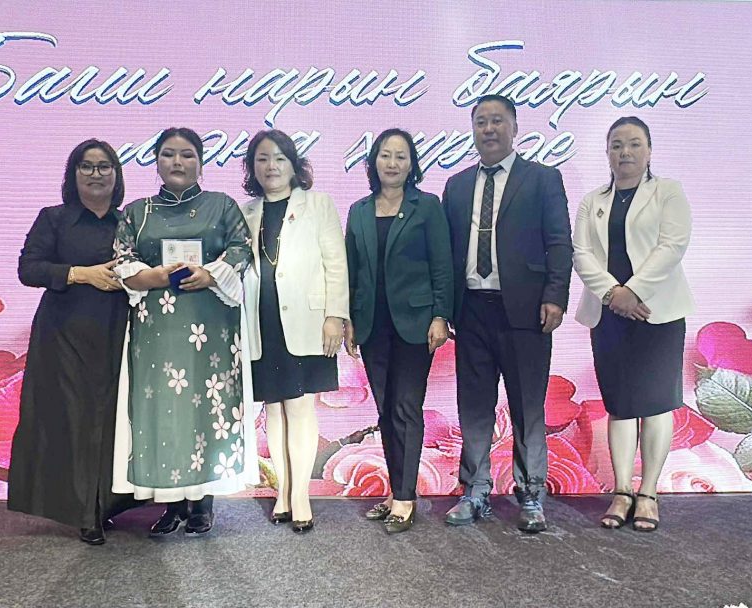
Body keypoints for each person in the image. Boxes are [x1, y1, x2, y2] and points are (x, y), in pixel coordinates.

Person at [111, 127, 257, 537]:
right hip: (157, 331)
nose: (178, 162)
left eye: (187, 154)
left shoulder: (222, 206)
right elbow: (122, 259)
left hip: (210, 327)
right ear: (156, 161)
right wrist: (155, 276)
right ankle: (171, 504)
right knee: (163, 411)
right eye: (169, 154)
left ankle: (202, 504)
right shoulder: (136, 212)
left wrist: (210, 274)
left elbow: (241, 249)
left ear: (201, 162)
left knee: (206, 408)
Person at [441, 94, 573, 533]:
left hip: (527, 312)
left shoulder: (543, 179)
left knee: (527, 406)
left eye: (497, 121)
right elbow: (446, 253)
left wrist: (555, 296)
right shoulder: (456, 186)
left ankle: (531, 494)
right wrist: (444, 309)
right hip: (471, 311)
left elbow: (559, 242)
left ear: (515, 128)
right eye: (481, 122)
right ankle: (474, 491)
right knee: (474, 406)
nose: (489, 129)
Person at [8, 139, 141, 545]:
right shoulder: (54, 219)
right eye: (87, 166)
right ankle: (84, 514)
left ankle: (105, 506)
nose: (96, 174)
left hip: (119, 334)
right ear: (73, 174)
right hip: (63, 336)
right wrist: (83, 274)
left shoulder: (131, 222)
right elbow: (28, 269)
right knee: (74, 422)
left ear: (117, 175)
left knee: (113, 421)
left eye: (104, 166)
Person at [572, 116, 694, 532]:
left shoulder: (668, 192)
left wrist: (635, 291)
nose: (625, 152)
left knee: (657, 404)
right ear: (607, 152)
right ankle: (622, 491)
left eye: (634, 144)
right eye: (617, 145)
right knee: (620, 405)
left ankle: (649, 493)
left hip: (658, 312)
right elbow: (581, 254)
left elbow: (672, 245)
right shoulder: (592, 201)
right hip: (609, 314)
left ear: (649, 150)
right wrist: (614, 294)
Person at [343, 128, 454, 534]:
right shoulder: (358, 210)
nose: (392, 163)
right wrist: (348, 319)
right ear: (373, 161)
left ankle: (405, 498)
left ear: (412, 165)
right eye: (385, 155)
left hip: (415, 325)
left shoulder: (427, 206)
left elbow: (442, 265)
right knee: (386, 410)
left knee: (406, 407)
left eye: (400, 156)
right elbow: (352, 270)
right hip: (372, 325)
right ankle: (396, 492)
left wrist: (441, 315)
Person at [240, 129, 349, 534]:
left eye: (279, 158)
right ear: (252, 167)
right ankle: (283, 492)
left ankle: (300, 495)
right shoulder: (245, 212)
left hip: (307, 320)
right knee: (273, 408)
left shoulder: (318, 204)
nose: (271, 166)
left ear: (294, 164)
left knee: (300, 406)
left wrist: (335, 315)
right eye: (262, 158)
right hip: (261, 320)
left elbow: (336, 263)